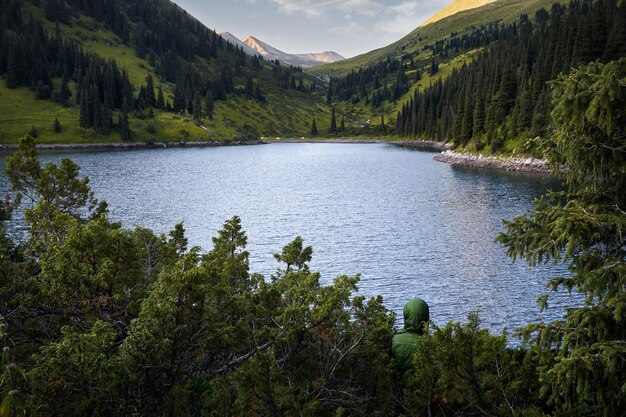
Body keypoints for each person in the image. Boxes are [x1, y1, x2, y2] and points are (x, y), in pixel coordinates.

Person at [391, 298, 429, 372]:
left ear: (406, 316)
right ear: (426, 317)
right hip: (425, 382)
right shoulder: (432, 343)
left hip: (397, 382)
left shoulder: (394, 340)